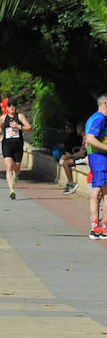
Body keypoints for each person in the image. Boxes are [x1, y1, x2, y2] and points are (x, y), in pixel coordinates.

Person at [0, 101, 32, 200]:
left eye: (13, 106)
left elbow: (29, 128)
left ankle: (17, 174)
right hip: (6, 145)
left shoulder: (20, 117)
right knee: (9, 166)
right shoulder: (3, 118)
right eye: (9, 107)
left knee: (17, 168)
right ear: (6, 108)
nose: (12, 108)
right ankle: (11, 190)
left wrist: (18, 126)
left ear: (15, 108)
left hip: (18, 145)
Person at [84, 95, 107, 239]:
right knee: (103, 193)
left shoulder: (95, 118)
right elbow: (90, 138)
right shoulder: (100, 118)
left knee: (98, 192)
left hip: (97, 158)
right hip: (100, 159)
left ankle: (97, 227)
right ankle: (101, 227)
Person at [58, 121, 86, 195]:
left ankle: (71, 184)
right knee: (66, 160)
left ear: (80, 129)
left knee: (66, 163)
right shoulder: (84, 138)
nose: (76, 130)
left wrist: (70, 156)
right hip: (83, 157)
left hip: (86, 159)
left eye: (77, 128)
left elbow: (82, 153)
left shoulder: (86, 138)